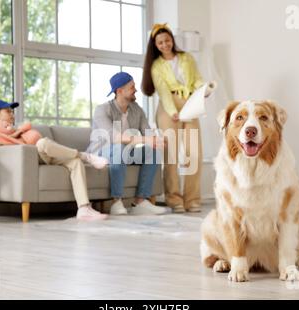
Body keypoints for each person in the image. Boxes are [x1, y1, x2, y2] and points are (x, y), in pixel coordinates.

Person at [0, 99, 108, 221]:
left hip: (47, 155)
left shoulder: (16, 129)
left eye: (12, 111)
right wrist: (5, 139)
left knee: (75, 162)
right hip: (34, 158)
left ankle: (83, 208)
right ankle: (85, 156)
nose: (12, 114)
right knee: (42, 143)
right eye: (8, 111)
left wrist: (15, 133)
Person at [142, 23, 213, 213]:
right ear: (155, 46)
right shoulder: (156, 66)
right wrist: (172, 110)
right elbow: (163, 91)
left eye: (167, 40)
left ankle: (192, 199)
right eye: (160, 43)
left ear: (172, 40)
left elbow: (196, 79)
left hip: (190, 103)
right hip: (168, 107)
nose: (164, 45)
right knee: (171, 154)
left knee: (194, 153)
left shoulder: (186, 58)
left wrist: (204, 89)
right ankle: (174, 198)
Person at [87, 72, 167, 215]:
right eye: (132, 87)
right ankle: (116, 202)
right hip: (100, 153)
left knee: (152, 152)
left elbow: (147, 133)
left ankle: (140, 202)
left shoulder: (137, 110)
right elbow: (115, 137)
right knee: (119, 147)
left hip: (124, 151)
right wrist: (145, 140)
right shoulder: (102, 110)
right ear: (119, 91)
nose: (135, 90)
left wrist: (156, 139)